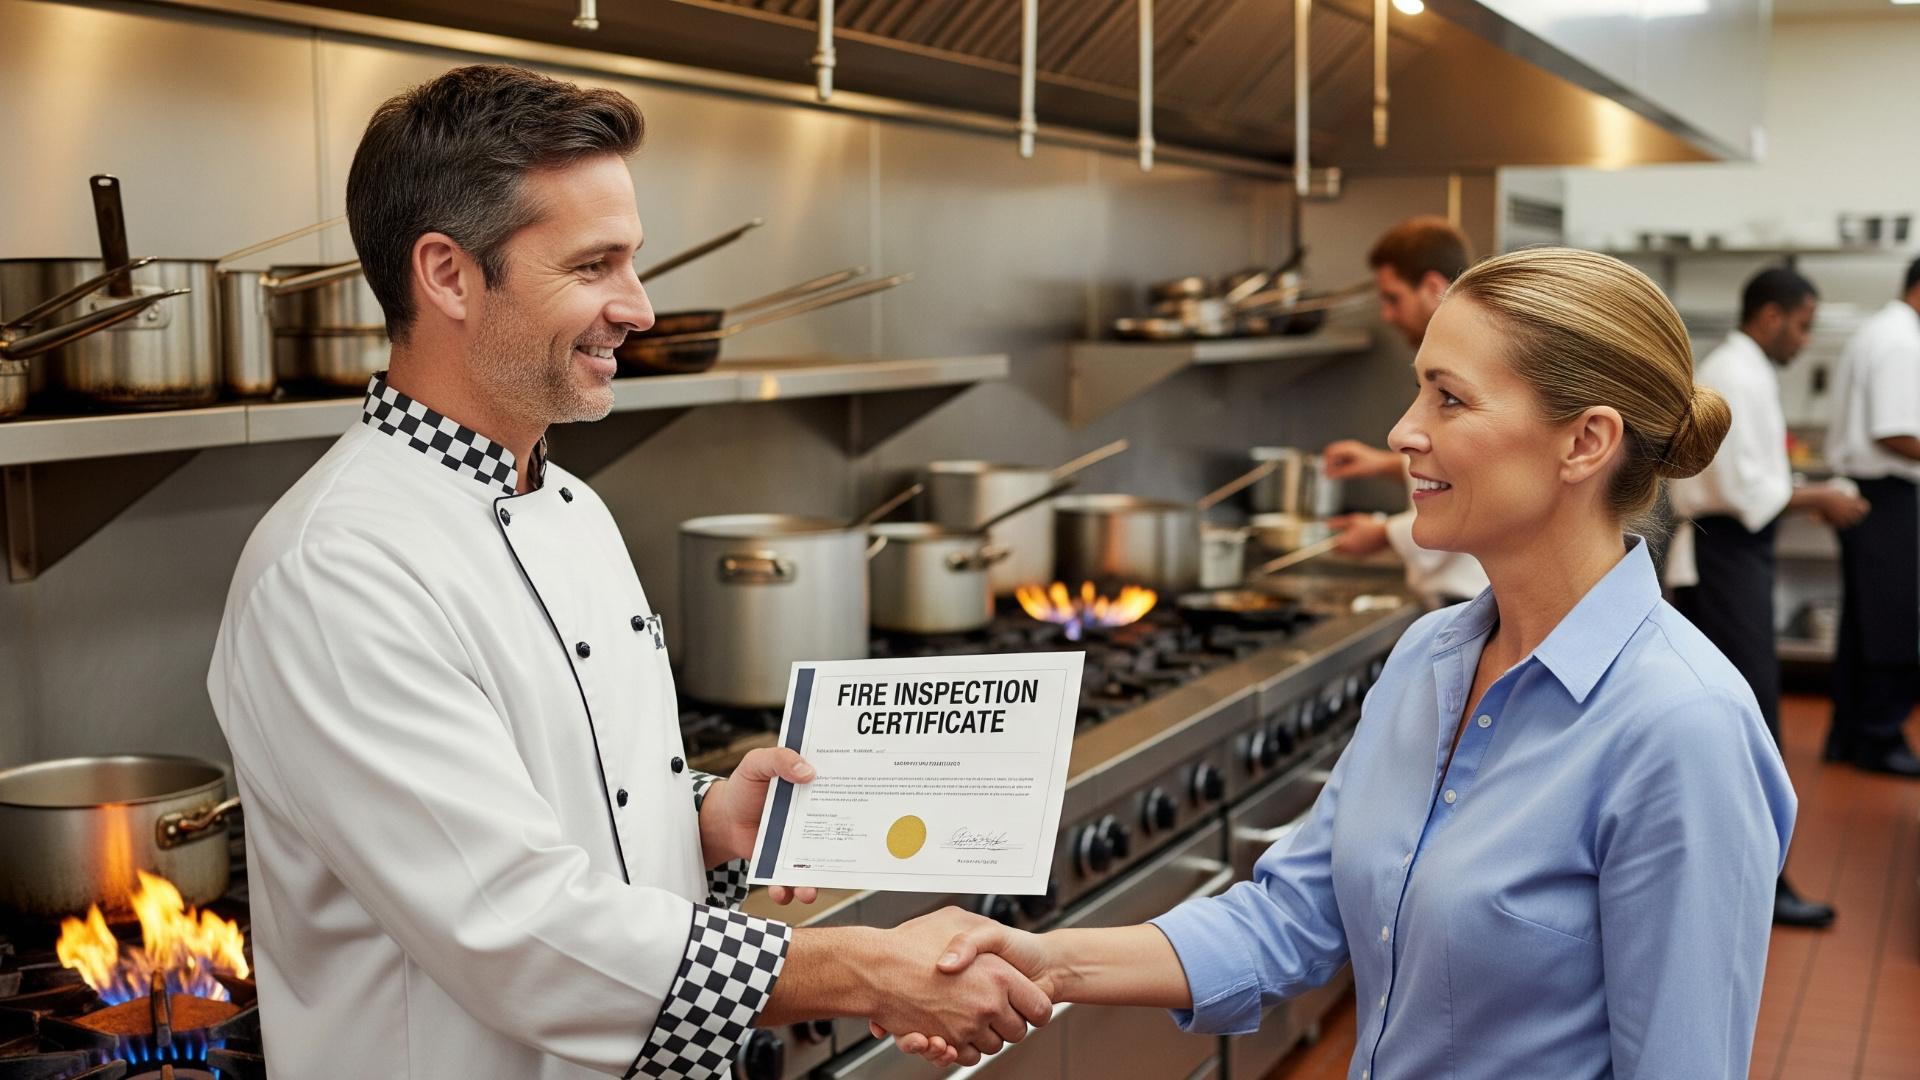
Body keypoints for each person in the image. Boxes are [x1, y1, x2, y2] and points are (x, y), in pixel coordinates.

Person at [206, 66, 1046, 1080]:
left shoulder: (574, 508)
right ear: (448, 276)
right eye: (595, 265)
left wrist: (699, 815)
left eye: (631, 262)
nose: (640, 309)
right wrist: (865, 968)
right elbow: (515, 934)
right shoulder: (336, 570)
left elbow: (562, 792)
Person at [893, 249, 1797, 1078]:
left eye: (1449, 398)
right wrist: (1045, 959)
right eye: (1417, 393)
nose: (1403, 432)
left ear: (1585, 442)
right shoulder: (1428, 659)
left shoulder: (1684, 728)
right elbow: (1292, 919)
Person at [1668, 268, 1866, 927]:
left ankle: (1751, 874)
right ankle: (1760, 883)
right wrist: (1821, 497)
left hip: (1732, 553)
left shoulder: (1745, 368)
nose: (1805, 341)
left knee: (1738, 720)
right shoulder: (1735, 371)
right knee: (1747, 724)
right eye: (1804, 325)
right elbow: (1740, 491)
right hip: (1723, 554)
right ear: (1771, 315)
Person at [1324, 216, 1488, 606]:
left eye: (1393, 298)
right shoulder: (1458, 351)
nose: (1386, 315)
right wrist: (1382, 465)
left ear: (1433, 287)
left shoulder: (1475, 358)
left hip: (1470, 591)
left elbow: (1477, 482)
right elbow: (1459, 461)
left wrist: (1384, 534)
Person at [1822, 256, 1920, 777]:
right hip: (1886, 492)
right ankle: (1880, 737)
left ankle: (1849, 735)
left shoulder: (1879, 331)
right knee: (1893, 620)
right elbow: (1895, 432)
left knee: (1865, 624)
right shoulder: (1902, 340)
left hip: (1870, 489)